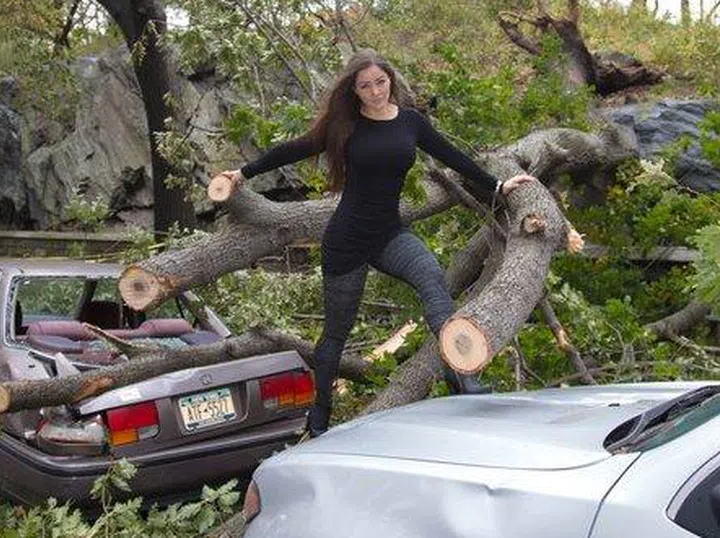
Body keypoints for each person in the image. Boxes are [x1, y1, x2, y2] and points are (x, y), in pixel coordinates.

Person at [214, 49, 534, 437]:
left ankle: (463, 377)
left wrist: (497, 186)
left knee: (433, 279)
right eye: (366, 86)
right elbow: (293, 148)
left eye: (380, 82)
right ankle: (320, 415)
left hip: (389, 234)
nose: (375, 91)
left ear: (390, 81)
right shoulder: (343, 126)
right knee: (336, 333)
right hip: (347, 242)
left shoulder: (411, 123)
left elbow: (453, 156)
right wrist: (243, 173)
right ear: (355, 90)